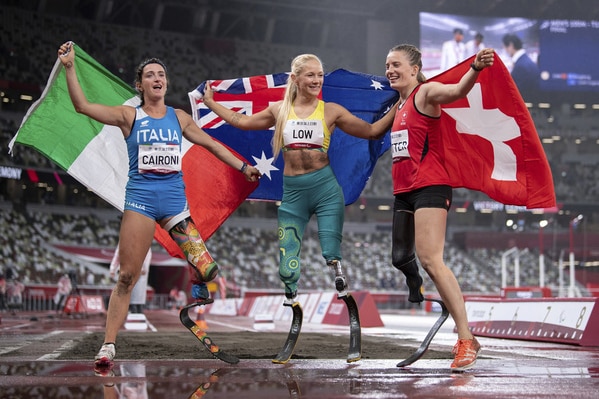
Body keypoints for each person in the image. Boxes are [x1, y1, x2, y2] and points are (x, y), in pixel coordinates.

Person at [57, 41, 261, 369]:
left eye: (161, 74)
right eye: (150, 75)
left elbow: (210, 144)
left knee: (208, 269)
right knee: (127, 277)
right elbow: (81, 106)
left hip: (174, 206)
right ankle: (108, 345)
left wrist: (243, 167)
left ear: (166, 82)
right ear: (140, 85)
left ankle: (197, 281)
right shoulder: (129, 116)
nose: (157, 78)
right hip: (140, 202)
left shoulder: (179, 118)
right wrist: (69, 67)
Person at [203, 53, 396, 305]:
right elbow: (242, 121)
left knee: (330, 247)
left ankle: (337, 272)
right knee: (287, 261)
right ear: (295, 78)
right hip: (293, 192)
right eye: (310, 75)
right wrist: (211, 103)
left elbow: (371, 131)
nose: (317, 80)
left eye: (320, 75)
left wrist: (400, 104)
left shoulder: (331, 111)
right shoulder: (280, 110)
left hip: (325, 188)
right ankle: (291, 290)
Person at [384, 44, 494, 371]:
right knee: (401, 257)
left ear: (415, 69)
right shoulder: (398, 104)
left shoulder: (426, 92)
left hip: (430, 186)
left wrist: (474, 68)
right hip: (403, 191)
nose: (389, 70)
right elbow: (372, 131)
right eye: (387, 65)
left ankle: (466, 338)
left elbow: (458, 91)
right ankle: (426, 296)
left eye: (396, 65)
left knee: (432, 258)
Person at [110, 242, 151, 314]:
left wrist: (144, 268)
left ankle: (137, 311)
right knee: (127, 294)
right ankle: (127, 311)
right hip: (126, 270)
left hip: (138, 272)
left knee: (137, 295)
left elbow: (147, 254)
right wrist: (112, 269)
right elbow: (117, 255)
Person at [501, 34, 540, 98]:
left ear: (511, 45)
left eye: (505, 47)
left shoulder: (520, 66)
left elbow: (514, 92)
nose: (505, 50)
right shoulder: (524, 61)